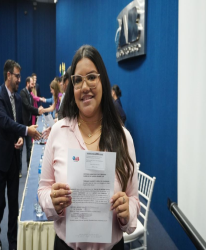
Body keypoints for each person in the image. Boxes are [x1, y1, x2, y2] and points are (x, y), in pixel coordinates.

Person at [38, 45, 140, 250]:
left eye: (91, 77)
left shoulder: (123, 138)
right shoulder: (58, 132)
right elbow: (43, 190)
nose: (85, 86)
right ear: (72, 87)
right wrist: (52, 200)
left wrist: (127, 210)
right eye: (78, 80)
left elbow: (134, 199)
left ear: (102, 81)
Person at [0, 60, 41, 250]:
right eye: (17, 76)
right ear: (8, 75)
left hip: (13, 159)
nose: (20, 79)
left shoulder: (18, 99)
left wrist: (20, 136)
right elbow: (5, 123)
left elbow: (16, 123)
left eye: (20, 76)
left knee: (13, 204)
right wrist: (26, 131)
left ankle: (12, 241)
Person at [20, 77, 44, 176]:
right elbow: (27, 106)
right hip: (22, 125)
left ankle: (29, 169)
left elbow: (31, 107)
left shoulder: (30, 94)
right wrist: (37, 111)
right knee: (21, 149)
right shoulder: (22, 93)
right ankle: (19, 171)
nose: (33, 85)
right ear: (27, 83)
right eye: (32, 84)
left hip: (29, 125)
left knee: (29, 147)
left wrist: (38, 112)